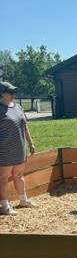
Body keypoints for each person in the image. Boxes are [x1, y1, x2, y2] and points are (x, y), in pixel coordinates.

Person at [0, 80, 38, 215]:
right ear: (2, 93)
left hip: (20, 148)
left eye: (14, 92)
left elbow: (25, 126)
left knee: (19, 175)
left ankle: (23, 200)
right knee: (3, 178)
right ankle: (4, 206)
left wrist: (31, 143)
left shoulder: (18, 107)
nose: (13, 94)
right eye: (10, 92)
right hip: (4, 151)